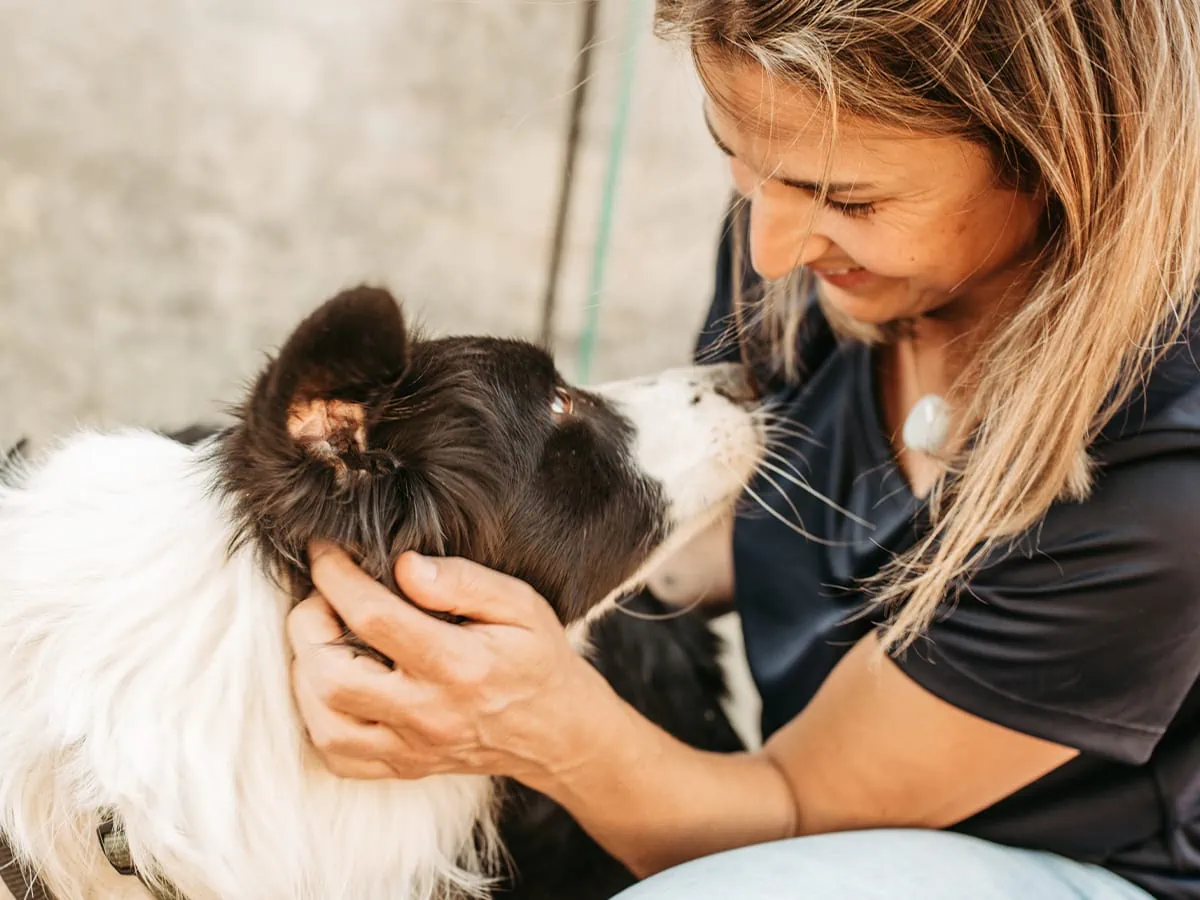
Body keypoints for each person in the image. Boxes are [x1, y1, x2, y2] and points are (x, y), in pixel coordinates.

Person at [284, 2, 1200, 897]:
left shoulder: (1168, 481)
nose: (768, 252)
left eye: (849, 198)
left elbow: (790, 816)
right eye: (739, 160)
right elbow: (739, 532)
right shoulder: (813, 230)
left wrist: (541, 725)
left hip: (1073, 867)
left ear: (1056, 160)